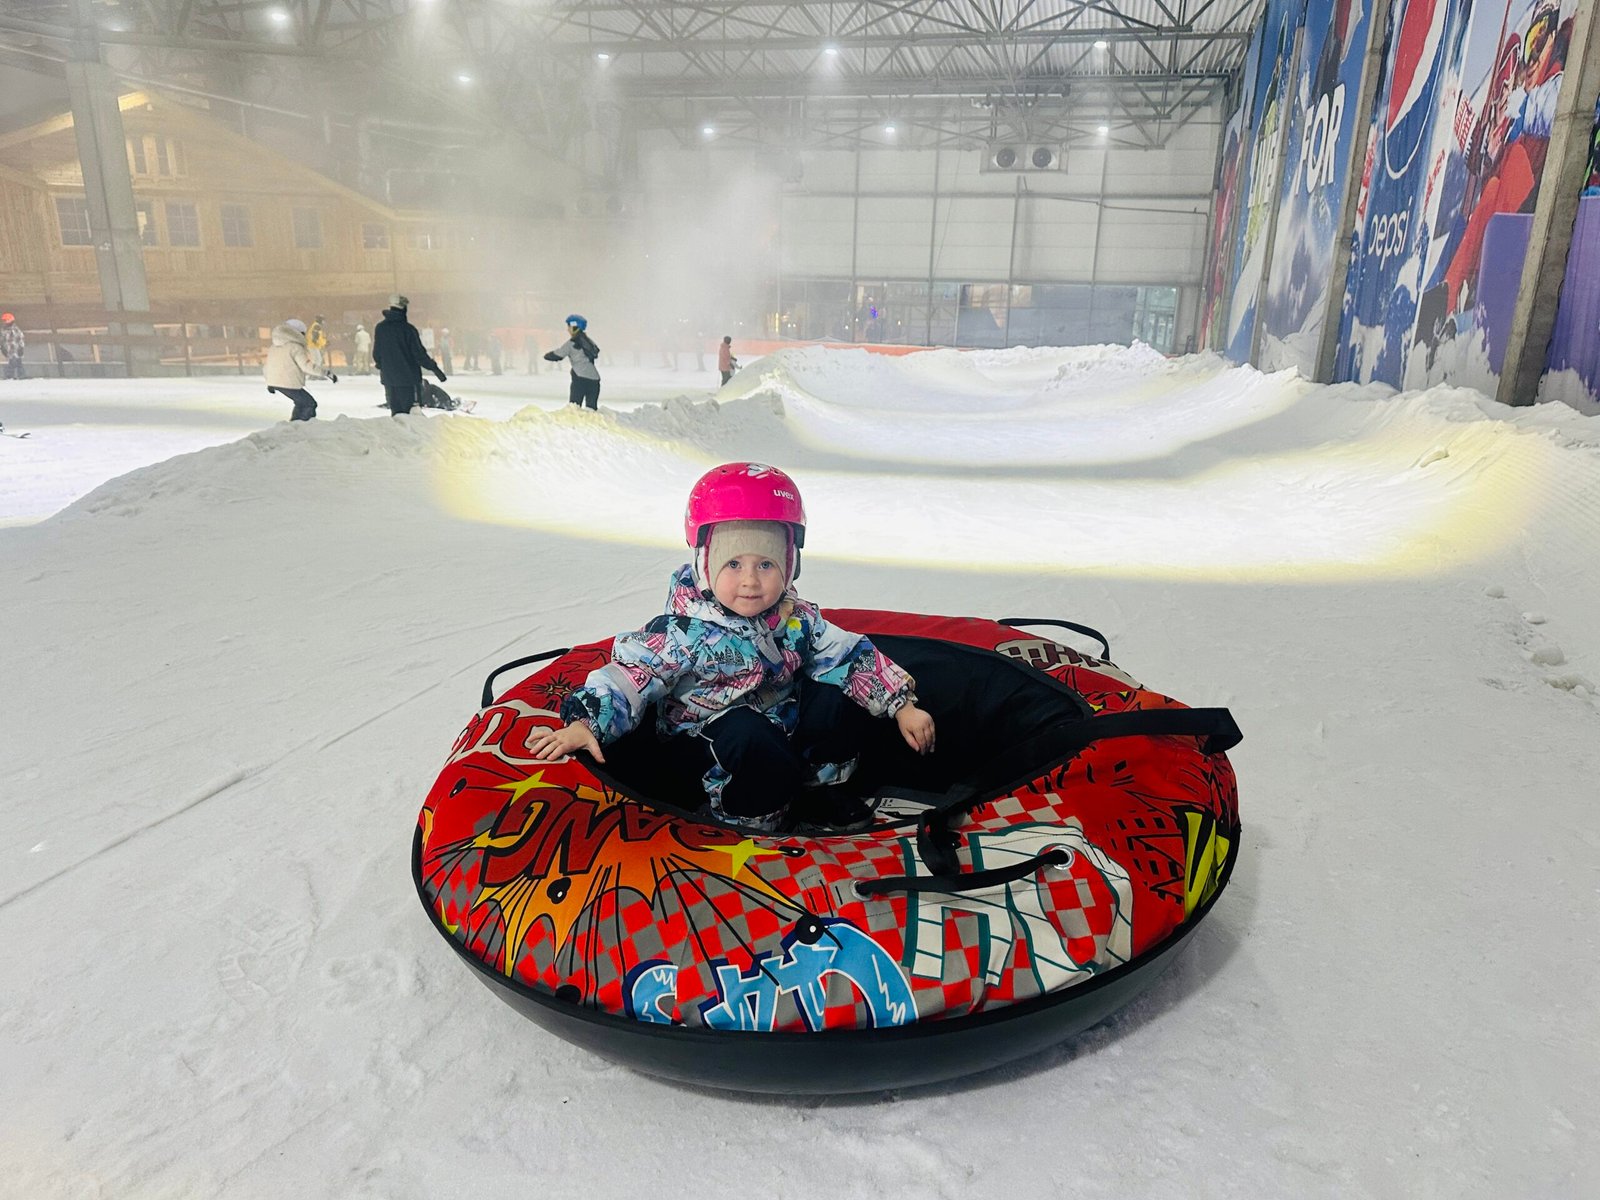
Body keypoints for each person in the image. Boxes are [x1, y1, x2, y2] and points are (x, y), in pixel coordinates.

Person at [526, 462, 936, 832]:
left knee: (834, 691)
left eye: (767, 564)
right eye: (733, 564)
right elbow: (633, 675)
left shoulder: (795, 617)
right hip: (712, 748)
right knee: (747, 735)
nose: (750, 581)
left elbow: (846, 652)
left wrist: (902, 704)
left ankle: (815, 794)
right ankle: (748, 819)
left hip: (782, 731)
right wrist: (586, 722)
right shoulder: (683, 633)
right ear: (705, 564)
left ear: (790, 565)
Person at [372, 294, 445, 416]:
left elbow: (377, 353)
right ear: (403, 309)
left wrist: (383, 365)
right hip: (408, 380)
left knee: (396, 414)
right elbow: (419, 354)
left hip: (389, 379)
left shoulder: (380, 328)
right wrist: (435, 368)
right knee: (411, 415)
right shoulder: (408, 330)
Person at [263, 317, 335, 421]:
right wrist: (325, 372)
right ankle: (303, 427)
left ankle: (295, 425)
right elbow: (306, 365)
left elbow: (267, 367)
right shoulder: (295, 347)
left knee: (301, 403)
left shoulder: (274, 347)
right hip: (289, 382)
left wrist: (269, 382)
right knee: (310, 404)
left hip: (276, 382)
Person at [543, 314, 602, 409]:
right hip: (594, 379)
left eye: (569, 327)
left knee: (574, 407)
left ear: (575, 327)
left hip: (580, 378)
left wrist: (546, 355)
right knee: (591, 409)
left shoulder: (572, 343)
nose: (567, 329)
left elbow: (558, 354)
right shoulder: (589, 341)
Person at [1, 312, 25, 380]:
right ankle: (11, 375)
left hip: (16, 350)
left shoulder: (15, 329)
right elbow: (2, 340)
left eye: (5, 320)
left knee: (17, 362)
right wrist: (3, 348)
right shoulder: (4, 330)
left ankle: (20, 375)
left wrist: (21, 348)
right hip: (8, 351)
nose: (4, 322)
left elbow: (21, 339)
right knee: (11, 363)